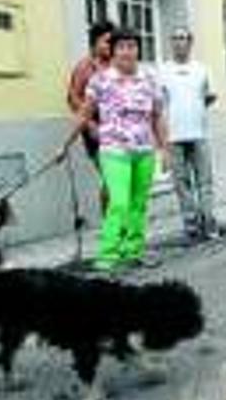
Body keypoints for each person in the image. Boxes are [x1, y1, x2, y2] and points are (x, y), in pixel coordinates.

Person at [58, 28, 170, 271]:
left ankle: (133, 251)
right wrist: (66, 143)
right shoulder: (100, 80)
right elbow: (84, 113)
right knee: (118, 202)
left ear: (138, 50)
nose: (127, 52)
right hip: (113, 150)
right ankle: (108, 257)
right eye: (121, 47)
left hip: (144, 151)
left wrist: (165, 149)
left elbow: (158, 116)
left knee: (138, 204)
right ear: (113, 51)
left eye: (132, 46)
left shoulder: (150, 79)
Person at [159, 27, 220, 242]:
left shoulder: (202, 69)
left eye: (183, 38)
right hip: (174, 136)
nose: (179, 42)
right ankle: (191, 225)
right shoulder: (163, 70)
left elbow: (210, 96)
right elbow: (159, 103)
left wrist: (194, 109)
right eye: (175, 38)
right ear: (171, 43)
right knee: (181, 183)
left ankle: (209, 222)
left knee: (205, 181)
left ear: (190, 42)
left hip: (199, 133)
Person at [66, 20, 115, 210]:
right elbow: (73, 98)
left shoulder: (115, 65)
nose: (109, 46)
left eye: (112, 42)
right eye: (106, 41)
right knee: (111, 179)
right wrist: (89, 124)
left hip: (117, 128)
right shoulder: (84, 67)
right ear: (94, 43)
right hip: (95, 129)